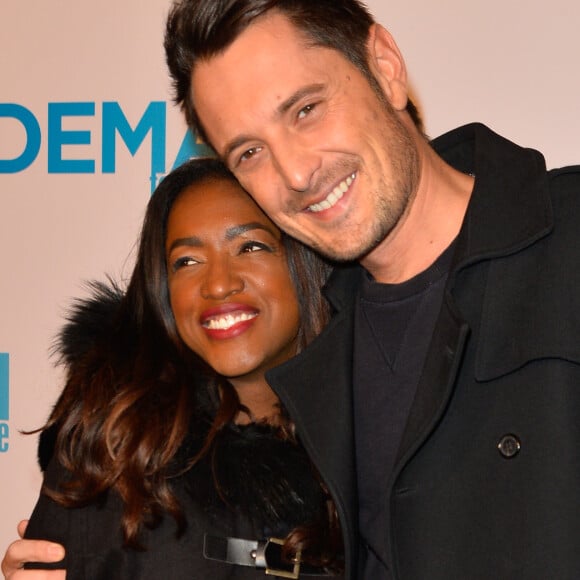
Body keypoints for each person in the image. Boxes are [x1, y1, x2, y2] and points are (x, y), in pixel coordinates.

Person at [7, 0, 580, 578]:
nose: (296, 173)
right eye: (249, 151)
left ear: (384, 65)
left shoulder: (568, 247)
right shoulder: (316, 354)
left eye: (305, 109)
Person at [2, 158, 343, 579]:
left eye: (251, 247)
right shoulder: (116, 442)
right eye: (187, 261)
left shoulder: (373, 442)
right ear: (164, 289)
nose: (218, 283)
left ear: (304, 262)